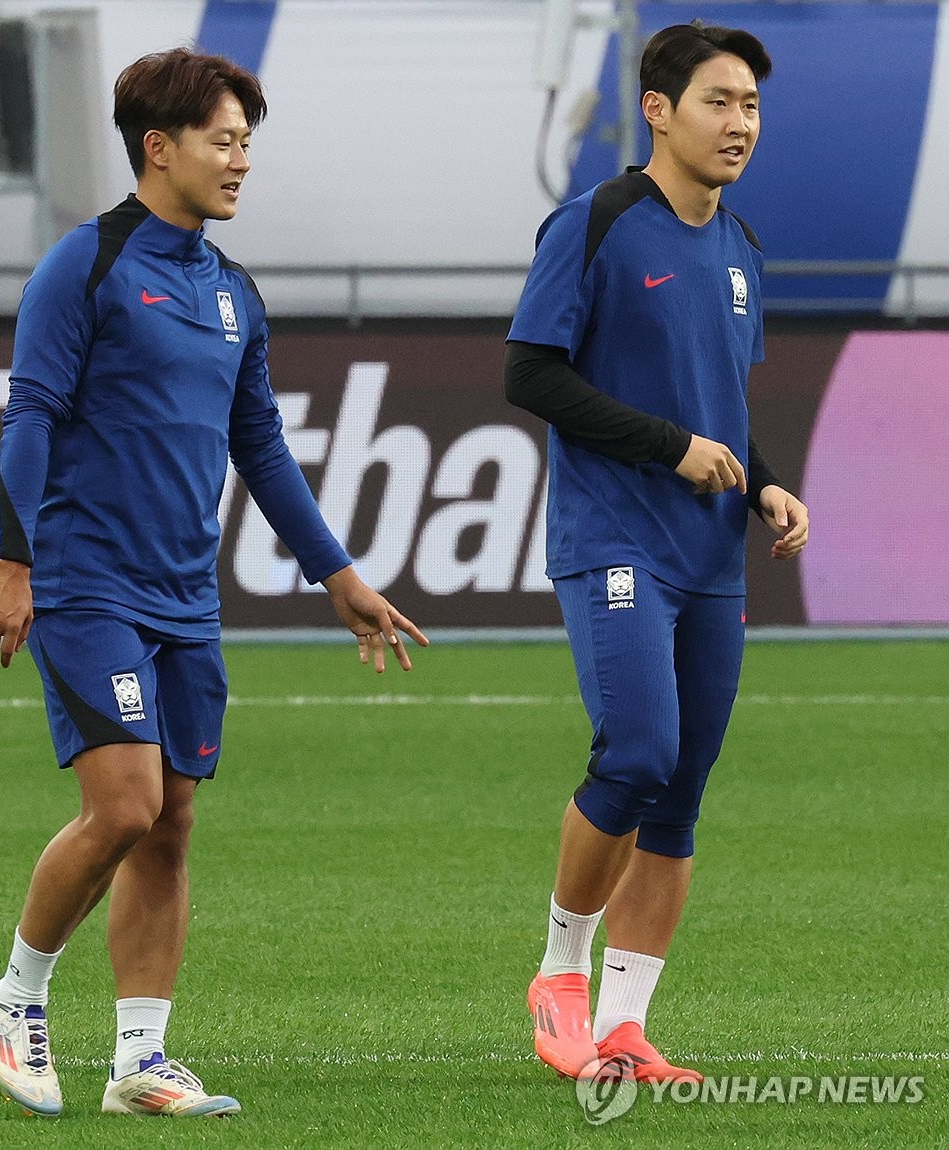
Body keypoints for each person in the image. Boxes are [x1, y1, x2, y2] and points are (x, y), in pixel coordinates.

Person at [0, 47, 427, 1120]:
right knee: (122, 804)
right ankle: (15, 995)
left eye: (248, 144)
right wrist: (12, 560)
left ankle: (142, 1060)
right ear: (158, 147)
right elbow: (28, 419)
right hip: (87, 584)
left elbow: (260, 446)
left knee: (170, 820)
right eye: (224, 140)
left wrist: (339, 576)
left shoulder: (233, 294)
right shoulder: (80, 266)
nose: (240, 162)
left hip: (187, 596)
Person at [505, 21, 808, 1084]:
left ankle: (627, 1028)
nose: (741, 125)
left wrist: (763, 478)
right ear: (658, 108)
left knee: (680, 791)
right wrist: (671, 448)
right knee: (634, 753)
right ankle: (560, 974)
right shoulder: (595, 223)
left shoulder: (740, 250)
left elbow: (722, 400)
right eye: (721, 102)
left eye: (754, 108)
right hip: (614, 538)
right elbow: (531, 375)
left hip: (712, 556)